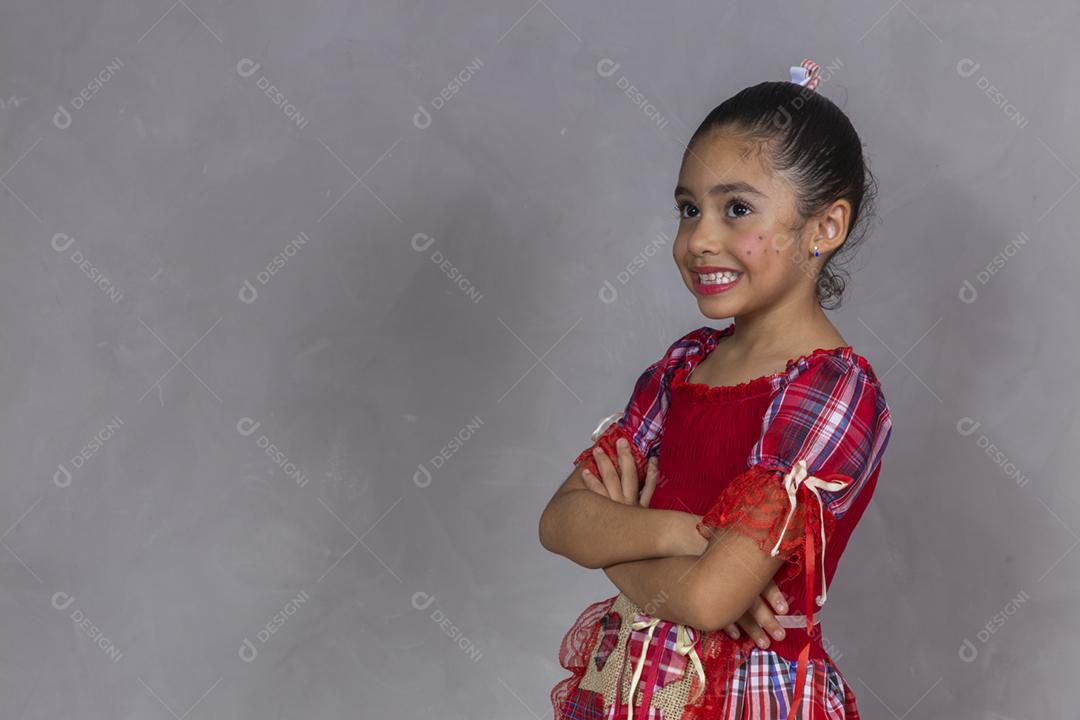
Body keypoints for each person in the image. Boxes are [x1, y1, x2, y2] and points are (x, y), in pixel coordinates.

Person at [538, 59, 894, 719]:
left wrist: (622, 538)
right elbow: (560, 523)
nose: (699, 238)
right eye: (688, 208)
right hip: (627, 690)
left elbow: (710, 602)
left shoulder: (834, 389)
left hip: (751, 700)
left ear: (824, 227)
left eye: (736, 209)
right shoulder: (681, 369)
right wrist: (691, 534)